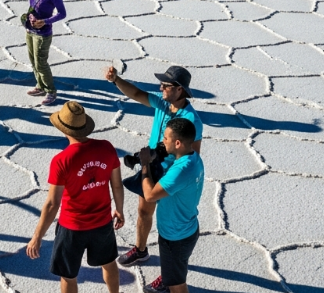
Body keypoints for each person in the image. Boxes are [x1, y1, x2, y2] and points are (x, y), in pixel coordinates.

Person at [103, 65, 203, 269]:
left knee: (170, 225)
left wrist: (174, 177)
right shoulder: (162, 103)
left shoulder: (192, 120)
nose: (161, 88)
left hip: (171, 177)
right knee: (143, 211)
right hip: (150, 168)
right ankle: (140, 250)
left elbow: (194, 154)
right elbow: (137, 93)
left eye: (165, 85)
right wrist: (116, 80)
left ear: (179, 89)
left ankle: (171, 273)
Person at [27, 101, 125, 293]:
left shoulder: (61, 161)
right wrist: (119, 210)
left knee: (69, 275)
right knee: (109, 263)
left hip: (72, 227)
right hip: (102, 222)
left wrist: (37, 236)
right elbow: (116, 184)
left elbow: (52, 204)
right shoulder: (106, 148)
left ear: (63, 129)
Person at [138, 118, 204, 293]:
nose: (162, 141)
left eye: (166, 138)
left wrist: (145, 164)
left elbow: (150, 195)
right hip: (183, 230)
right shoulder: (193, 157)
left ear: (178, 143)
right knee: (173, 276)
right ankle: (167, 278)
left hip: (176, 238)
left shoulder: (181, 170)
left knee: (177, 285)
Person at [17, 0, 67, 106]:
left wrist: (45, 21)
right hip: (30, 30)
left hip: (43, 34)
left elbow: (62, 13)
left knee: (41, 62)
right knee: (33, 60)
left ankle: (51, 91)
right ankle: (40, 85)